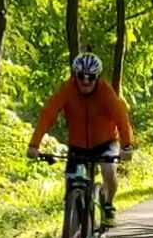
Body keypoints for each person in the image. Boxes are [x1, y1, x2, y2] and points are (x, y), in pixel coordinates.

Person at [27, 52, 136, 227]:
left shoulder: (105, 91)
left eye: (91, 77)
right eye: (81, 76)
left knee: (108, 170)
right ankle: (74, 233)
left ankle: (108, 204)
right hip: (78, 146)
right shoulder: (68, 90)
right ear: (75, 76)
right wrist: (34, 145)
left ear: (97, 77)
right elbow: (48, 113)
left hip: (106, 142)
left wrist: (127, 145)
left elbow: (122, 119)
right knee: (72, 183)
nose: (85, 81)